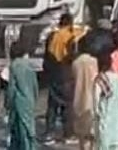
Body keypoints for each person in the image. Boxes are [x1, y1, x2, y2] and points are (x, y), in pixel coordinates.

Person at [43, 12, 82, 143]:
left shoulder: (52, 36)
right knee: (67, 105)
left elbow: (46, 57)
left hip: (54, 73)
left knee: (52, 106)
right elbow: (72, 55)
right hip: (66, 73)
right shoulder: (71, 37)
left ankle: (49, 133)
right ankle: (68, 134)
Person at [4, 41, 40, 150]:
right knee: (28, 131)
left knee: (19, 133)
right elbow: (35, 87)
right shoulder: (30, 66)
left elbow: (11, 88)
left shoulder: (14, 66)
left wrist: (7, 104)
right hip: (29, 102)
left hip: (18, 103)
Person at [94, 50, 118, 150]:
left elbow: (96, 98)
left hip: (105, 122)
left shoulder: (100, 80)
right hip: (117, 123)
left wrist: (98, 113)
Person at [72, 47, 99, 150]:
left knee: (82, 136)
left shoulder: (76, 63)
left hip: (79, 100)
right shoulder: (94, 61)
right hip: (92, 98)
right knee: (93, 135)